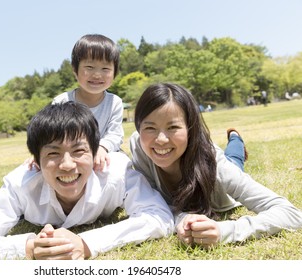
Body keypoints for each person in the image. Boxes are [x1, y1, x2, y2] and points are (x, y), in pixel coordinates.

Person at [0, 101, 173, 260]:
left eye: (79, 151)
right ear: (36, 162)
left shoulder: (116, 171)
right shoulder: (21, 183)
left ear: (96, 152)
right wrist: (29, 247)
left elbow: (159, 217)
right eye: (53, 154)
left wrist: (87, 243)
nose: (67, 164)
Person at [129, 82, 302, 248]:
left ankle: (235, 139)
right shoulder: (139, 145)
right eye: (150, 128)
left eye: (173, 127)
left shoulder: (216, 163)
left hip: (217, 170)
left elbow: (291, 214)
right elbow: (155, 203)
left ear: (191, 129)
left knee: (234, 160)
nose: (160, 140)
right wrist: (181, 218)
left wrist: (225, 230)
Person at [52, 34, 124, 171]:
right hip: (70, 158)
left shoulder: (115, 102)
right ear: (75, 70)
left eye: (105, 69)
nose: (97, 74)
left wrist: (102, 148)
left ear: (115, 72)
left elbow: (115, 134)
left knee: (121, 165)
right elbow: (51, 136)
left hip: (104, 155)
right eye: (89, 67)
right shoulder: (62, 101)